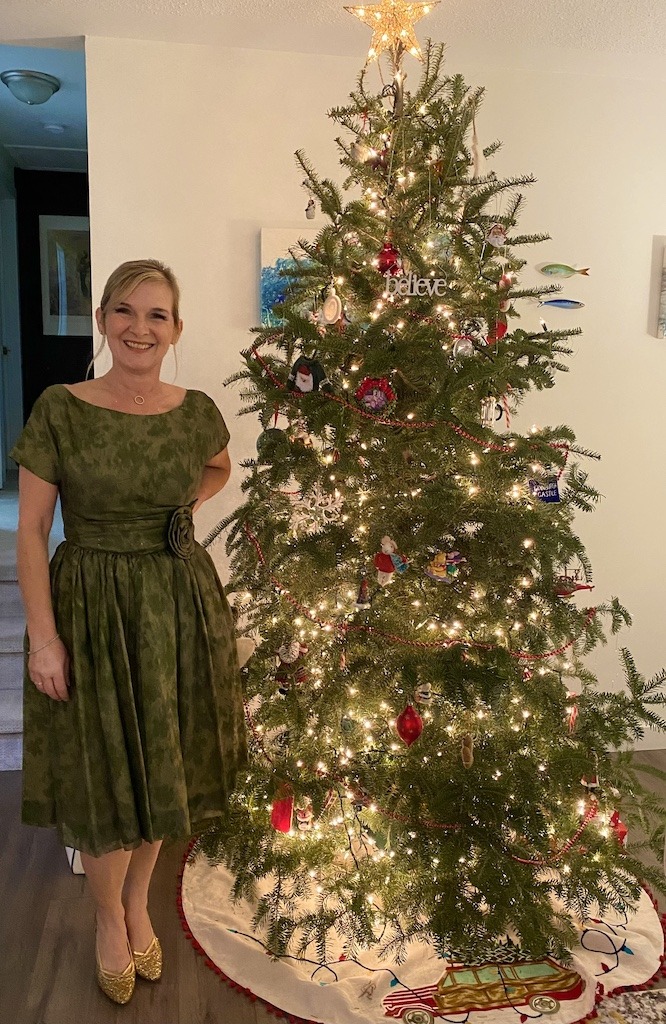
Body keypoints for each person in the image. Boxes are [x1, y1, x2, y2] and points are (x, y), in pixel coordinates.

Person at [10, 259, 247, 1005]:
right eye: (124, 311)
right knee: (108, 778)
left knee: (162, 770)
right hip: (91, 607)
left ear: (177, 330)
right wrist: (43, 639)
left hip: (176, 604)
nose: (139, 328)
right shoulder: (62, 407)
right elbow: (31, 533)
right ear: (103, 320)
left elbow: (218, 467)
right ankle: (106, 914)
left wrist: (180, 508)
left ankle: (138, 899)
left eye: (157, 315)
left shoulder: (195, 409)